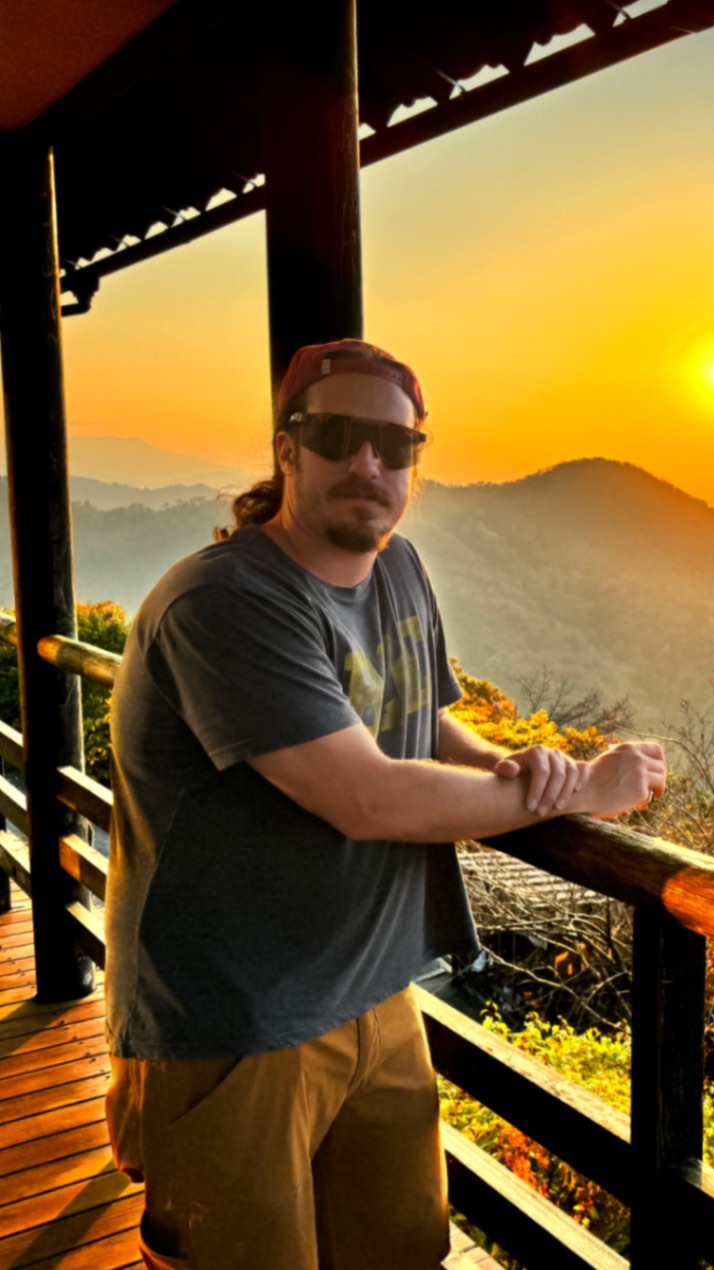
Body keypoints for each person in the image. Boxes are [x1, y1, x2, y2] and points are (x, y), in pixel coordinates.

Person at [103, 338, 665, 1270]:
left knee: (401, 1252)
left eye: (394, 445)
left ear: (415, 459)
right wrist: (591, 790)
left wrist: (524, 769)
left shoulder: (398, 567)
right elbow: (363, 795)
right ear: (288, 450)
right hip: (234, 1016)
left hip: (374, 988)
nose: (368, 462)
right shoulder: (228, 602)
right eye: (337, 435)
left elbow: (425, 722)